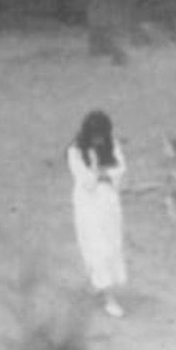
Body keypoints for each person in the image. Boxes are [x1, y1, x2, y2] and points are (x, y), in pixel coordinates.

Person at [68, 110, 128, 317]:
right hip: (88, 205)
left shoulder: (112, 143)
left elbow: (119, 169)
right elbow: (86, 181)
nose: (99, 140)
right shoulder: (75, 151)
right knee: (95, 247)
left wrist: (104, 174)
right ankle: (108, 296)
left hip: (108, 203)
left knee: (112, 244)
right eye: (95, 136)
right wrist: (95, 167)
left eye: (102, 136)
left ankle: (101, 286)